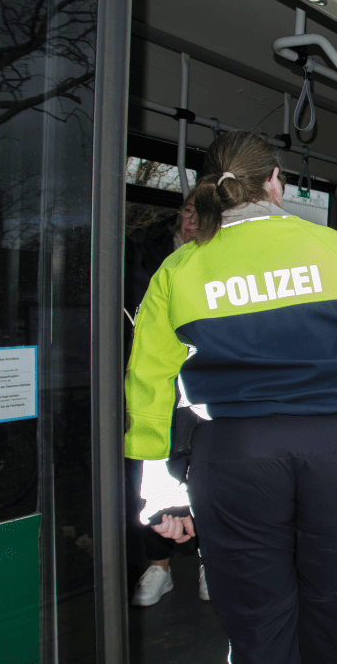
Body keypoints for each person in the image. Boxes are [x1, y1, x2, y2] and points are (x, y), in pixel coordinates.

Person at [124, 130, 337, 664]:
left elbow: (148, 387)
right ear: (275, 184)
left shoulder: (178, 271)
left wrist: (162, 492)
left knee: (260, 624)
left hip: (234, 453)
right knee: (332, 611)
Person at [128, 193, 210, 607]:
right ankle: (158, 566)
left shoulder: (217, 259)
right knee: (151, 466)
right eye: (187, 211)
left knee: (203, 471)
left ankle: (205, 561)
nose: (191, 221)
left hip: (199, 385)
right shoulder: (150, 256)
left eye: (201, 214)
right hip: (157, 373)